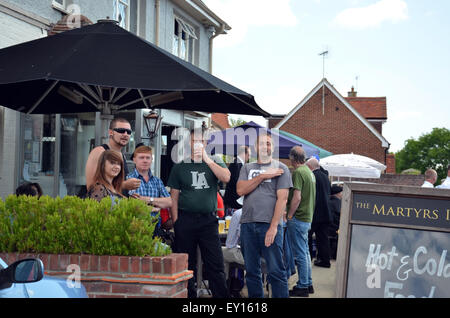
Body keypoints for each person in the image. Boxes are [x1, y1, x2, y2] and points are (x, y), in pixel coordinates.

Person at [168, 128, 231, 298]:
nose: (197, 144)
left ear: (205, 143)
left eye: (200, 141)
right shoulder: (180, 167)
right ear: (188, 143)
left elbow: (226, 178)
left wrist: (206, 159)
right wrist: (176, 221)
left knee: (215, 263)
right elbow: (173, 196)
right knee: (187, 264)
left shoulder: (214, 161)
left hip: (208, 221)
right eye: (193, 141)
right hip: (185, 220)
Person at [236, 133, 292, 298]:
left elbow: (283, 198)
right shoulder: (247, 168)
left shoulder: (281, 168)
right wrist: (262, 176)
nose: (265, 146)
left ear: (273, 148)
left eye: (268, 143)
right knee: (252, 271)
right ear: (255, 147)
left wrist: (274, 227)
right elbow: (240, 190)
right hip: (247, 224)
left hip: (269, 225)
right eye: (261, 143)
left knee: (276, 271)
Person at [285, 146, 316, 297]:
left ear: (293, 158)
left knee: (300, 254)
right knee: (305, 252)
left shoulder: (298, 172)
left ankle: (303, 285)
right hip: (307, 217)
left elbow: (296, 197)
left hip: (298, 217)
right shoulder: (309, 172)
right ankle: (308, 283)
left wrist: (289, 215)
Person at [85, 118, 141, 194]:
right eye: (121, 130)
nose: (125, 134)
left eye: (128, 132)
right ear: (110, 132)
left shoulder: (122, 155)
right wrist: (124, 185)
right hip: (104, 204)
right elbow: (91, 186)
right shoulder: (99, 151)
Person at [306, 157, 332, 268]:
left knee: (307, 237)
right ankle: (325, 260)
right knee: (323, 238)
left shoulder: (312, 177)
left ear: (310, 167)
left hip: (315, 213)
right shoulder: (326, 178)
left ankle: (308, 259)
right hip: (326, 212)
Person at [224, 146, 251, 215]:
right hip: (233, 202)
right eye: (249, 155)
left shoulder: (238, 164)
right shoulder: (236, 164)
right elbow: (237, 183)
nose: (249, 157)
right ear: (244, 153)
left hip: (234, 202)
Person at [329, 184, 343, 260]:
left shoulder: (329, 201)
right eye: (341, 192)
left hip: (329, 227)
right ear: (337, 193)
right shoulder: (338, 203)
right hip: (335, 228)